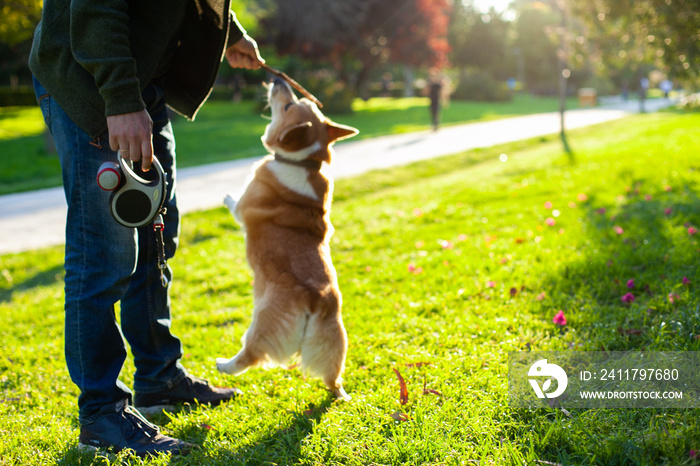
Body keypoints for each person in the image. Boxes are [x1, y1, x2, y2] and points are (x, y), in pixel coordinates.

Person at [29, 0, 264, 457]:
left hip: (143, 83)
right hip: (92, 81)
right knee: (103, 253)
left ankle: (159, 378)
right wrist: (119, 100)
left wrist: (228, 31)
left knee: (156, 235)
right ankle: (101, 415)